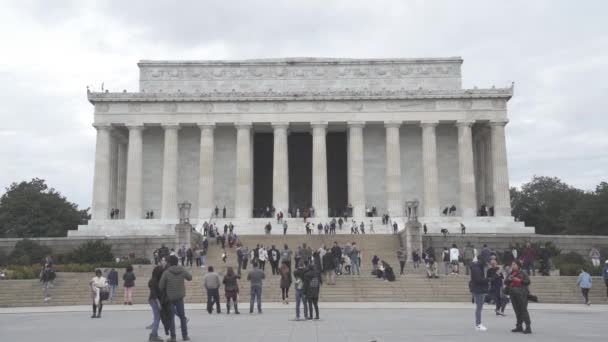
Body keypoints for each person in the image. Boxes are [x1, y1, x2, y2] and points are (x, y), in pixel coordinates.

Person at [159, 255, 192, 341]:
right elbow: (190, 278)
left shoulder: (166, 272)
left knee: (171, 317)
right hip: (180, 296)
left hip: (170, 298)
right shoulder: (182, 270)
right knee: (182, 317)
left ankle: (173, 337)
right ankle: (185, 336)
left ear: (169, 263)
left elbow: (160, 286)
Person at [505, 260, 532, 334]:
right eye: (512, 264)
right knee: (517, 310)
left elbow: (528, 282)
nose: (512, 266)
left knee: (523, 310)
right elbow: (505, 282)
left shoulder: (523, 272)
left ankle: (528, 327)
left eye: (514, 264)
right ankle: (519, 326)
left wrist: (519, 280)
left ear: (518, 265)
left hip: (522, 294)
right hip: (513, 294)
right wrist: (509, 279)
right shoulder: (511, 273)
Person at [470, 259, 489, 331]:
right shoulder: (477, 269)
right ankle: (478, 324)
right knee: (479, 307)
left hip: (478, 289)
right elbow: (479, 280)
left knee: (479, 307)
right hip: (478, 290)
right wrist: (488, 279)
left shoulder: (476, 268)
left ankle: (478, 324)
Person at [147, 266, 164, 342]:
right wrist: (158, 303)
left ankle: (154, 334)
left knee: (157, 318)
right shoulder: (154, 281)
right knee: (157, 318)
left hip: (153, 300)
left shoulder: (154, 280)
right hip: (154, 300)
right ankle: (154, 336)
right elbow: (154, 293)